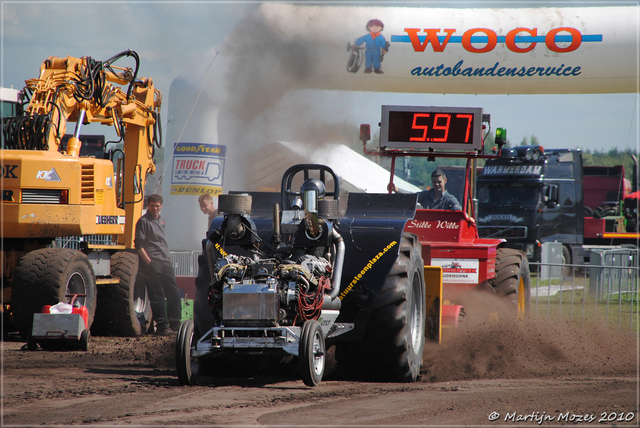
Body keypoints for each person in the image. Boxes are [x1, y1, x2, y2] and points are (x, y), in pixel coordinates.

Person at [135, 194, 182, 335]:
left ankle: (175, 324)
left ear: (161, 206)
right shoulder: (143, 221)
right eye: (152, 205)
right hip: (152, 262)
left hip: (165, 261)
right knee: (157, 295)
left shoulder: (162, 219)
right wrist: (149, 263)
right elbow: (139, 245)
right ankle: (162, 326)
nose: (155, 208)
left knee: (173, 293)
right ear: (147, 206)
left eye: (157, 205)